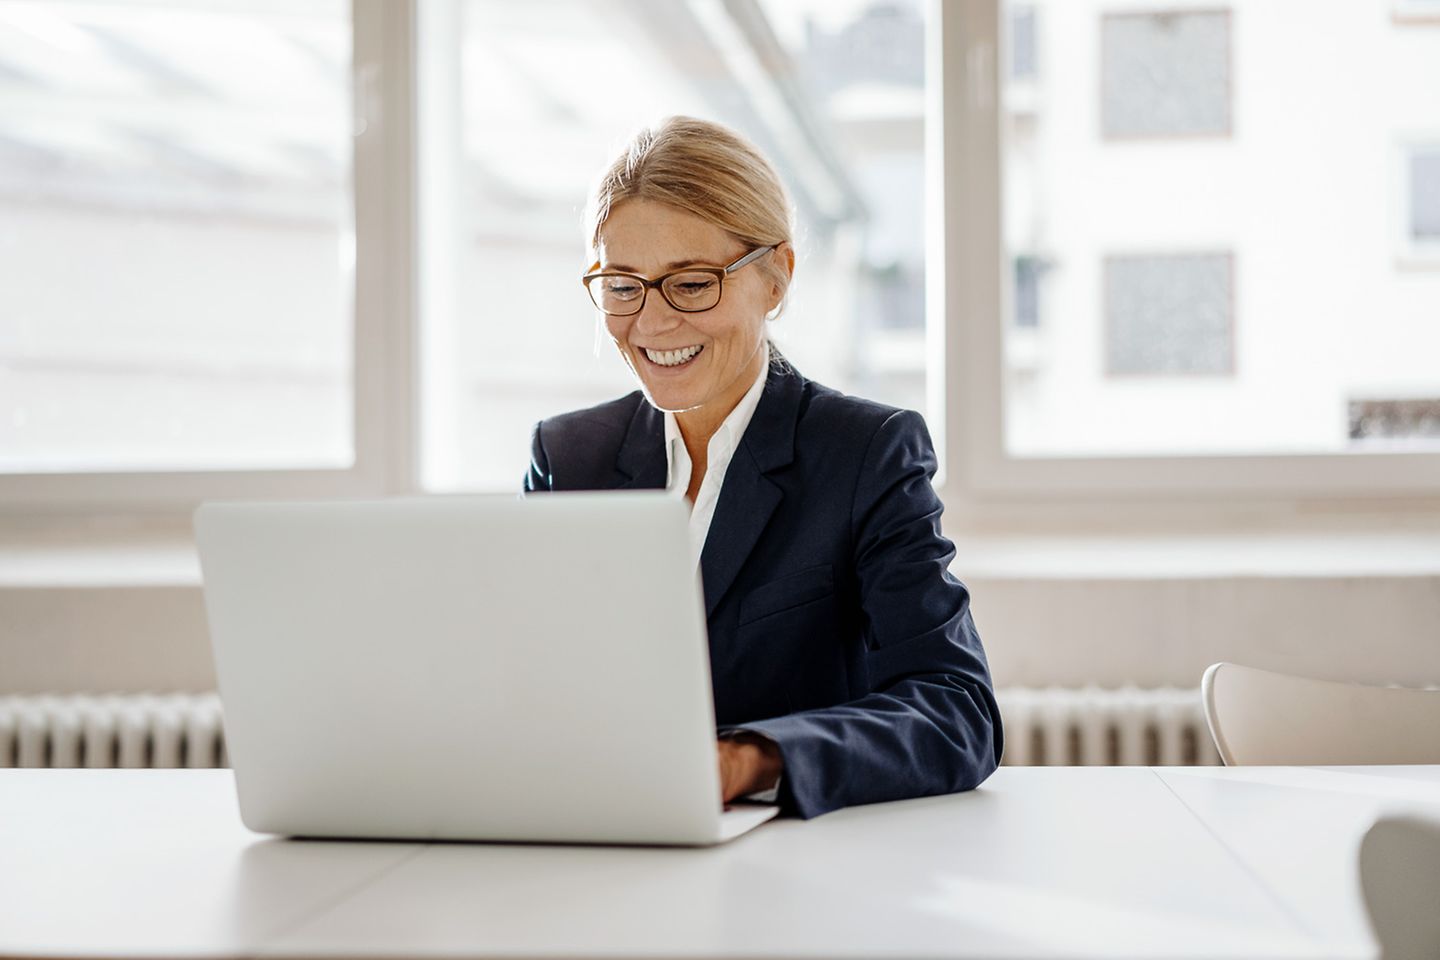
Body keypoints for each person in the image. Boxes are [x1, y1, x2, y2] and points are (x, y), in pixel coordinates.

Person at [524, 116, 1002, 819]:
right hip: (597, 842)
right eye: (623, 286)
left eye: (691, 284)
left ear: (775, 277)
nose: (652, 323)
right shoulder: (568, 457)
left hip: (794, 865)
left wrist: (751, 760)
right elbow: (524, 681)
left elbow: (957, 712)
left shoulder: (865, 453)